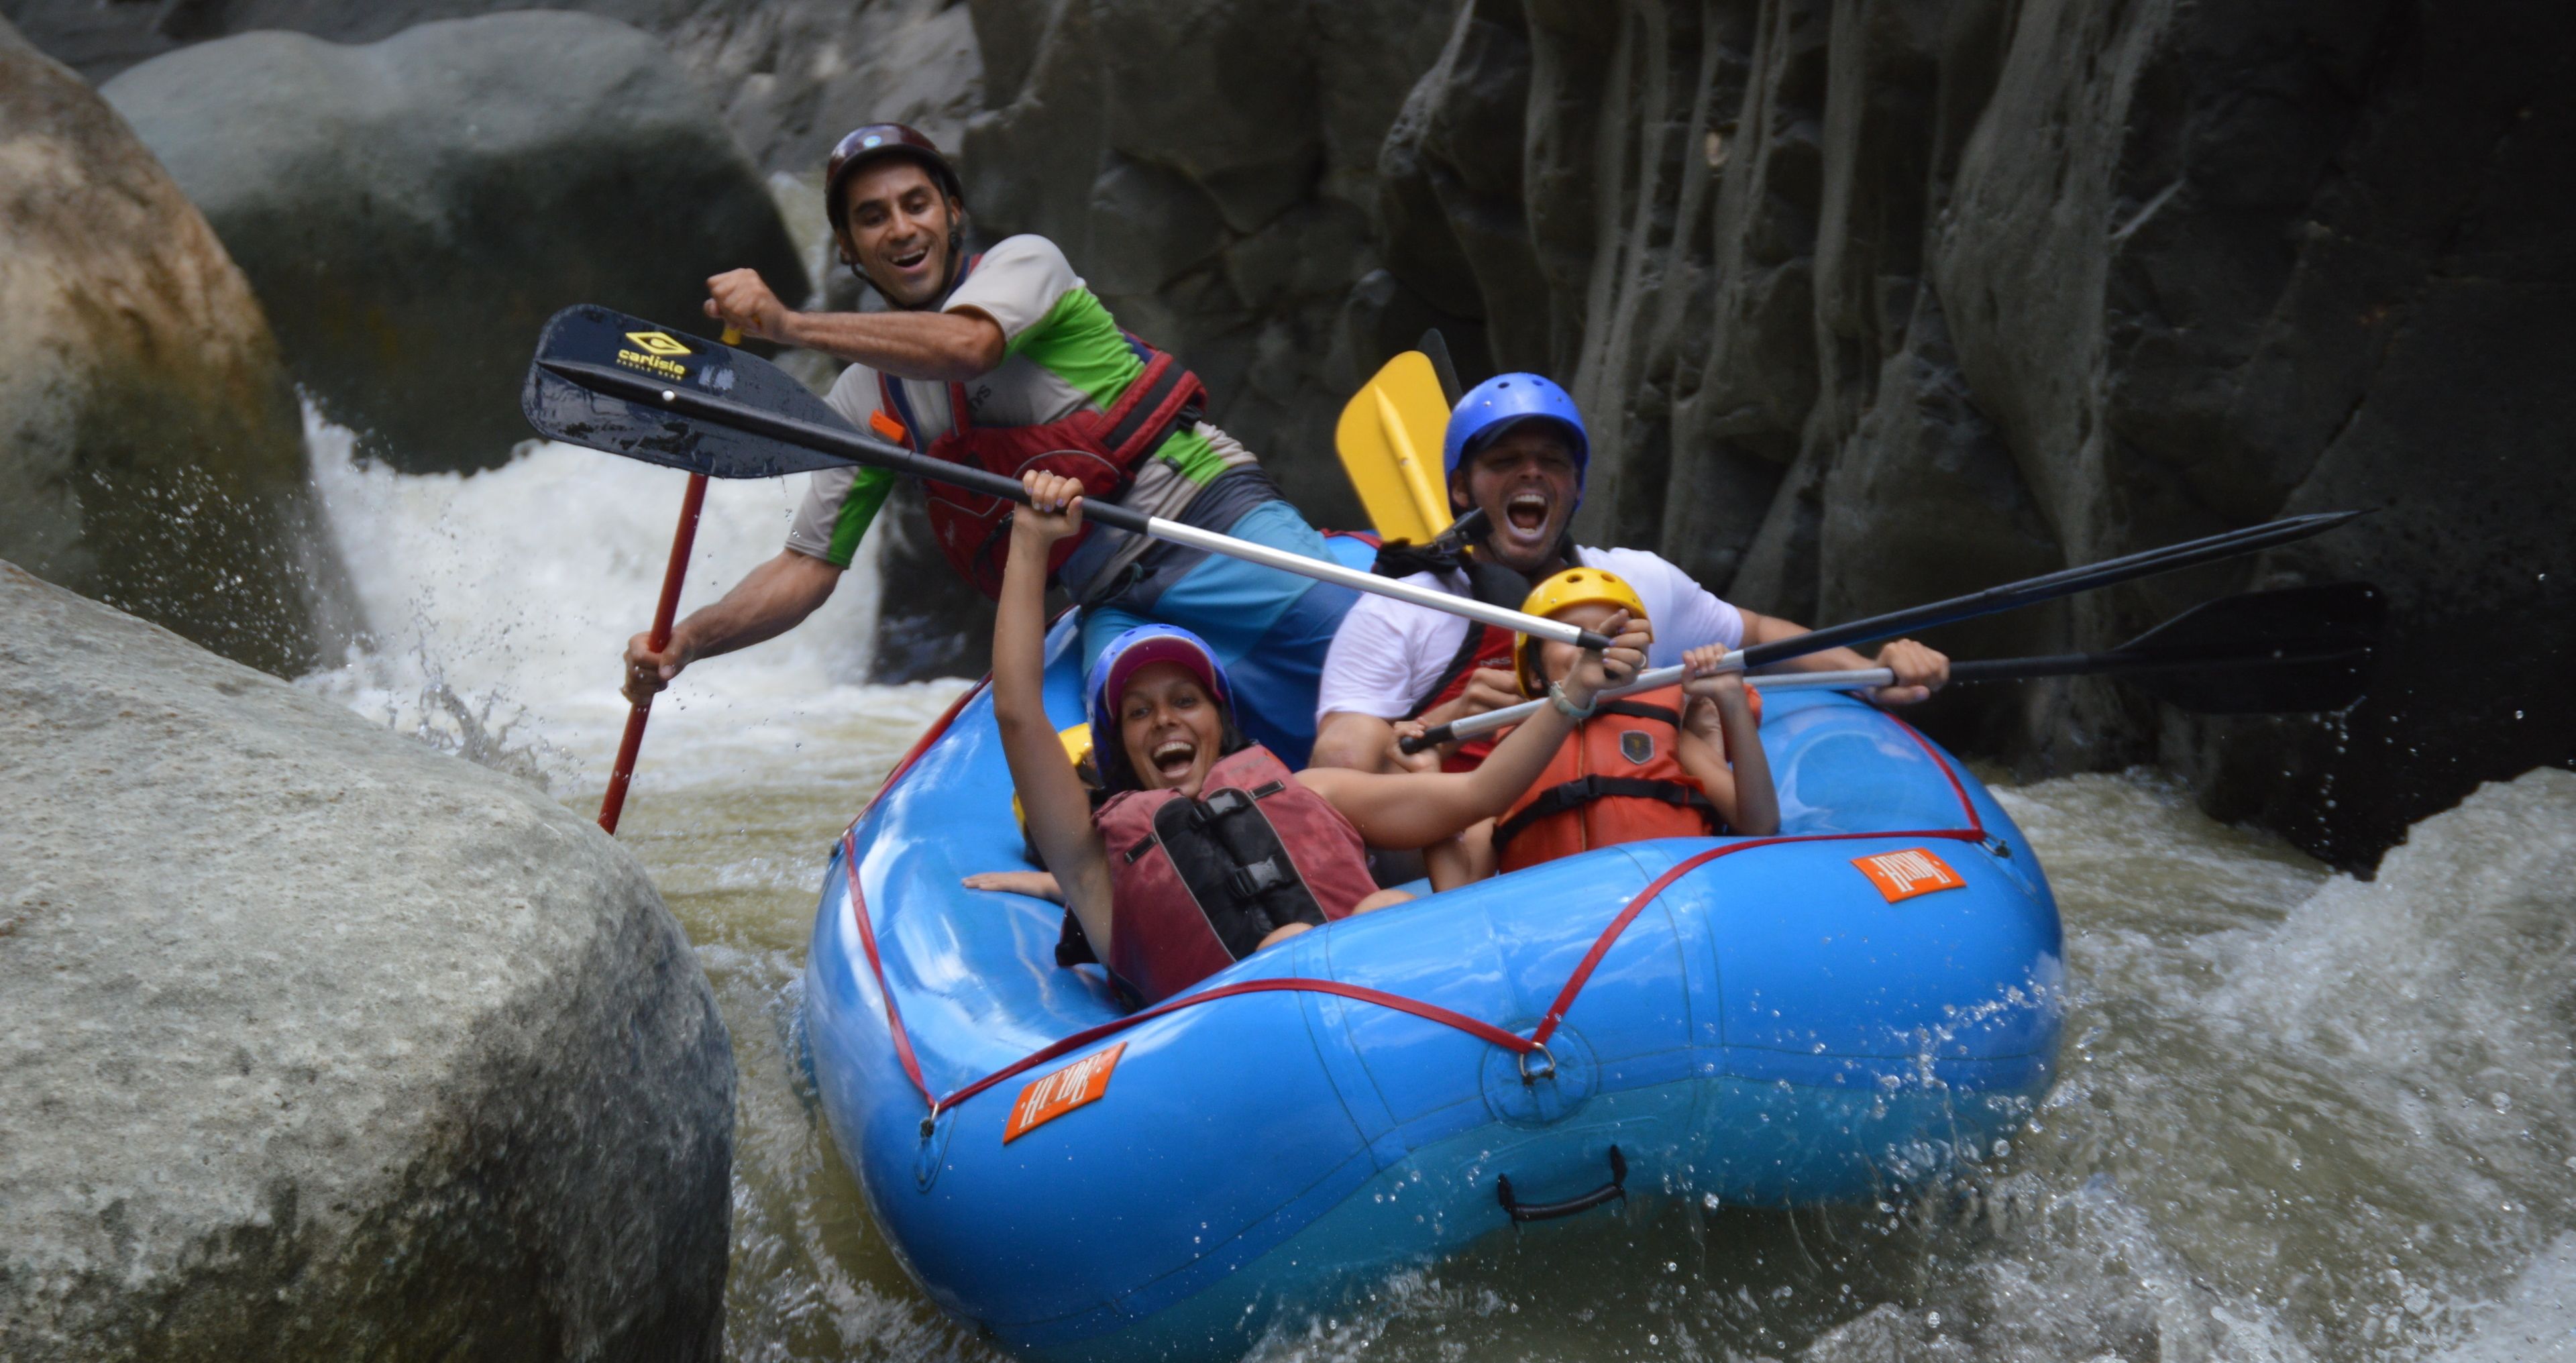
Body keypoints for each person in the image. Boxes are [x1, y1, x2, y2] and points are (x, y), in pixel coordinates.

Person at [623, 122, 1355, 760]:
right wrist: (689, 638)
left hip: (1210, 520)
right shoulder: (865, 400)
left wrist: (788, 326)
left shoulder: (1026, 264)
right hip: (1110, 600)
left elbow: (968, 347)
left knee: (1363, 666)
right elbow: (808, 568)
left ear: (953, 213)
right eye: (872, 218)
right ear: (847, 247)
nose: (900, 229)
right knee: (1133, 779)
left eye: (916, 204)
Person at [996, 473, 1648, 1005]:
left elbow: (1479, 794)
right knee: (1290, 947)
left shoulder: (1314, 791)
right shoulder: (1092, 864)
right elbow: (1019, 714)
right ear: (1116, 745)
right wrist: (1030, 538)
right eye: (1139, 712)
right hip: (1245, 1058)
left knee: (1384, 905)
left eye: (1185, 701)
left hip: (1390, 1015)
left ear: (1220, 722)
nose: (1165, 719)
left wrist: (1572, 694)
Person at [1309, 374, 1951, 774]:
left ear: (1576, 486)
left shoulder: (1638, 582)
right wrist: (1450, 719)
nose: (1531, 472)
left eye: (1552, 462)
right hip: (1478, 864)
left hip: (1627, 854)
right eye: (1505, 460)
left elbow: (1758, 635)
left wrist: (1872, 673)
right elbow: (1339, 764)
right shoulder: (1404, 608)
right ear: (1460, 489)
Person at [1413, 568, 1779, 888]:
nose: (1597, 644)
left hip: (1663, 904)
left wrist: (1732, 701)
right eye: (1570, 634)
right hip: (1563, 928)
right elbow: (1457, 885)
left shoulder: (1664, 729)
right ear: (1535, 673)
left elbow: (1759, 824)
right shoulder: (1514, 762)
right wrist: (1426, 773)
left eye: (1612, 633)